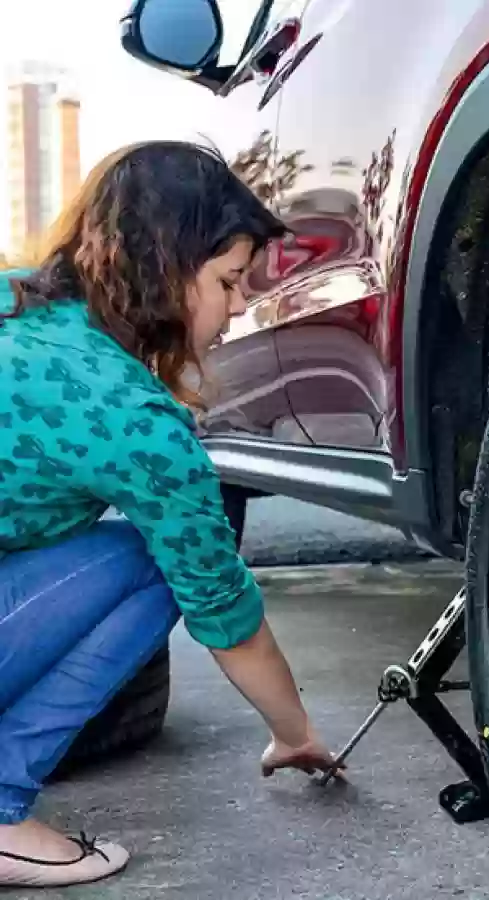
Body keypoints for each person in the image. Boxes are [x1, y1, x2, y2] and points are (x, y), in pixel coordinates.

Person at [0, 141, 344, 889]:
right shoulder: (134, 419)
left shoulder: (17, 302)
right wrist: (295, 733)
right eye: (228, 281)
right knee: (161, 561)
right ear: (163, 266)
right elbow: (225, 609)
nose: (240, 306)